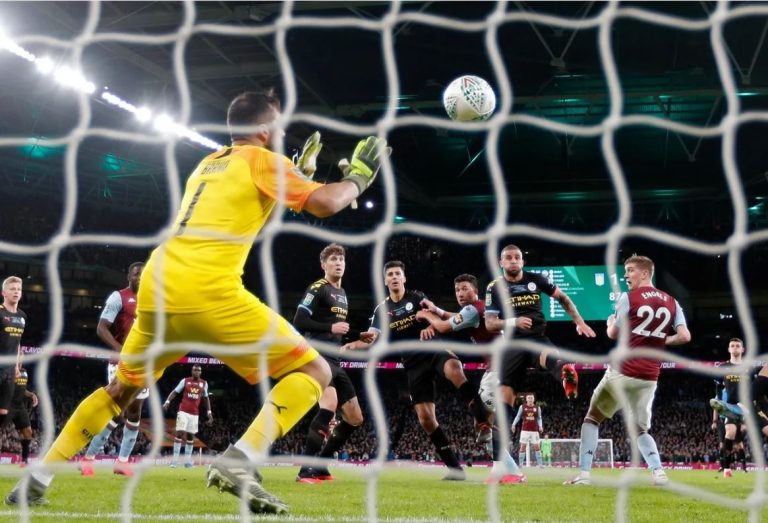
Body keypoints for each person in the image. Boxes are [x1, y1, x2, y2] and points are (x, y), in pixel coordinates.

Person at [5, 88, 389, 514]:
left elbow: (244, 213)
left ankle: (37, 479)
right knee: (316, 370)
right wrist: (358, 178)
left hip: (157, 283)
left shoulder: (210, 163)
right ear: (264, 129)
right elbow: (326, 203)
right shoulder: (263, 160)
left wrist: (295, 173)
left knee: (120, 390)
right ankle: (240, 462)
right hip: (207, 289)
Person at [343, 262, 492, 481]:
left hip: (433, 350)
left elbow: (435, 316)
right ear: (385, 280)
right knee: (425, 419)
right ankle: (455, 469)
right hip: (412, 364)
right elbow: (372, 337)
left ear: (404, 278)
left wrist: (431, 326)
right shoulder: (381, 310)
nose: (394, 277)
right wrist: (354, 344)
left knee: (454, 369)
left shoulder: (416, 297)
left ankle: (482, 420)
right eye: (390, 275)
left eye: (398, 274)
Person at [564, 254, 691, 486]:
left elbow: (613, 335)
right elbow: (684, 336)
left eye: (631, 270)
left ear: (645, 273)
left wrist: (610, 323)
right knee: (640, 430)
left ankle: (584, 475)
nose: (626, 275)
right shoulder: (672, 301)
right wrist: (661, 340)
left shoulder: (628, 298)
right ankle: (658, 472)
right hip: (649, 377)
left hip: (623, 372)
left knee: (592, 419)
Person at [484, 245, 596, 457]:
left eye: (517, 257)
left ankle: (565, 372)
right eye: (508, 258)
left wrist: (579, 322)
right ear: (501, 263)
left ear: (522, 262)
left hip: (536, 337)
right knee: (505, 396)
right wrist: (513, 321)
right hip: (512, 342)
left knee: (547, 359)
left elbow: (563, 297)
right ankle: (502, 461)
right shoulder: (494, 287)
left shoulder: (536, 279)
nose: (513, 261)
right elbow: (490, 323)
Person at [416, 273, 525, 484]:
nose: (460, 293)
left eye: (465, 288)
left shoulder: (473, 309)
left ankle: (509, 471)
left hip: (501, 369)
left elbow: (443, 327)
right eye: (457, 290)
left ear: (475, 290)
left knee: (484, 419)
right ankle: (505, 469)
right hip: (500, 368)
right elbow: (455, 316)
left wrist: (428, 317)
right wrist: (436, 310)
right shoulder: (477, 309)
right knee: (484, 422)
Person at [292, 243, 364, 483]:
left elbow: (337, 330)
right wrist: (329, 327)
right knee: (329, 404)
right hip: (317, 356)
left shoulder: (342, 294)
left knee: (354, 417)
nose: (338, 263)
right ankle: (305, 470)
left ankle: (321, 466)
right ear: (323, 265)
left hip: (335, 359)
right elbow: (299, 320)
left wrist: (357, 337)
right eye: (333, 259)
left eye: (341, 259)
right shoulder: (317, 288)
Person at [80, 262, 147, 477]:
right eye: (136, 273)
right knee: (116, 413)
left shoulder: (153, 300)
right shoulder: (118, 297)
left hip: (143, 364)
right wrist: (120, 349)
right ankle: (89, 458)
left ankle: (122, 462)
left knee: (135, 412)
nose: (139, 277)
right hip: (120, 362)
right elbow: (101, 328)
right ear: (129, 275)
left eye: (143, 274)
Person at [710, 338, 749, 477]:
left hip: (746, 407)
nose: (735, 348)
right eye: (732, 345)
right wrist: (721, 404)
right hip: (731, 406)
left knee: (739, 443)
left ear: (742, 349)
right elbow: (718, 387)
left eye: (738, 346)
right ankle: (727, 468)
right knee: (730, 434)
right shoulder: (723, 367)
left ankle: (743, 466)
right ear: (729, 349)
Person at [163, 364, 213, 468]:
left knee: (190, 436)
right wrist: (167, 401)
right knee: (180, 433)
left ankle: (187, 462)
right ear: (191, 371)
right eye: (195, 370)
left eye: (198, 370)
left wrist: (209, 413)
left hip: (194, 414)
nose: (196, 372)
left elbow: (206, 398)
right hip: (183, 412)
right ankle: (174, 461)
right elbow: (175, 392)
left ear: (201, 372)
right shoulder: (185, 381)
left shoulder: (204, 383)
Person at [1, 276, 26, 430]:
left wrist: (16, 365)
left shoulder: (22, 316)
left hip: (10, 370)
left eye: (18, 289)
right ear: (4, 293)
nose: (16, 292)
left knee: (3, 413)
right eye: (12, 289)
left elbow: (17, 343)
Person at [8, 366, 38, 466]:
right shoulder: (8, 369)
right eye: (19, 354)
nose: (21, 356)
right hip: (7, 404)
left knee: (28, 431)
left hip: (20, 406)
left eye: (22, 354)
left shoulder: (24, 372)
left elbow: (22, 389)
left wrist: (31, 395)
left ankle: (24, 460)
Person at [511, 393, 544, 467]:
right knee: (523, 446)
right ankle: (521, 464)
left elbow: (539, 418)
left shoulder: (537, 408)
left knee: (537, 447)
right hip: (525, 430)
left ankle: (540, 464)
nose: (530, 399)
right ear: (526, 399)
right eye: (529, 398)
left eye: (531, 398)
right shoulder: (522, 407)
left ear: (534, 399)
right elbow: (518, 416)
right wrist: (513, 424)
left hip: (534, 431)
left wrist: (540, 426)